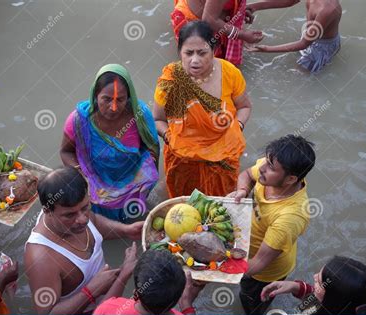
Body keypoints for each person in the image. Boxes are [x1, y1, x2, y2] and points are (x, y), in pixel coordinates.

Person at [153, 21, 252, 197]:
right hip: (183, 159)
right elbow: (158, 119)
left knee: (221, 207)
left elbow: (244, 106)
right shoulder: (170, 80)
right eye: (188, 53)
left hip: (223, 157)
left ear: (214, 51)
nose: (195, 60)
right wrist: (169, 137)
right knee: (184, 208)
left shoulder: (230, 73)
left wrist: (238, 127)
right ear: (180, 52)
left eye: (202, 53)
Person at [24, 167, 140, 315]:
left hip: (107, 297)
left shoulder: (74, 209)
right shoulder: (41, 258)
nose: (83, 219)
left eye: (85, 208)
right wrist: (90, 291)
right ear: (48, 211)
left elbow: (95, 222)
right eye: (69, 215)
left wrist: (126, 230)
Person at [60, 64, 160, 223]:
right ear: (95, 95)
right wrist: (82, 176)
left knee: (132, 221)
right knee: (102, 225)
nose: (113, 107)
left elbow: (152, 148)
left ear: (128, 97)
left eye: (120, 100)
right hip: (97, 188)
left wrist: (146, 181)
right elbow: (66, 152)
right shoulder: (79, 121)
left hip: (133, 185)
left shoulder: (139, 115)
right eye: (106, 99)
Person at [230, 134, 316, 314]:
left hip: (264, 273)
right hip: (248, 245)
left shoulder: (290, 217)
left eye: (270, 167)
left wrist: (217, 271)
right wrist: (243, 190)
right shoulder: (269, 169)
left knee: (251, 303)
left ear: (291, 179)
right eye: (267, 161)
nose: (261, 167)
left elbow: (259, 263)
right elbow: (246, 174)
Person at [93, 250, 204, 315]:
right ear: (178, 297)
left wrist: (123, 275)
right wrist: (186, 305)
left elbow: (104, 307)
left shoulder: (108, 310)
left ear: (135, 292)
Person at [246, 0, 342, 73]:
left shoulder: (328, 9)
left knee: (301, 74)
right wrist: (254, 7)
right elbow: (289, 1)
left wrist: (267, 49)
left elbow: (304, 43)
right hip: (310, 35)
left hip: (321, 48)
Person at [261, 256, 366, 315]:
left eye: (319, 283)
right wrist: (296, 287)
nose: (314, 276)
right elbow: (319, 300)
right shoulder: (344, 306)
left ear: (333, 299)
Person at [171, 0, 263, 65]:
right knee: (200, 66)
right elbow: (209, 20)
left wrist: (239, 11)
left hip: (213, 18)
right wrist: (241, 34)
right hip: (195, 25)